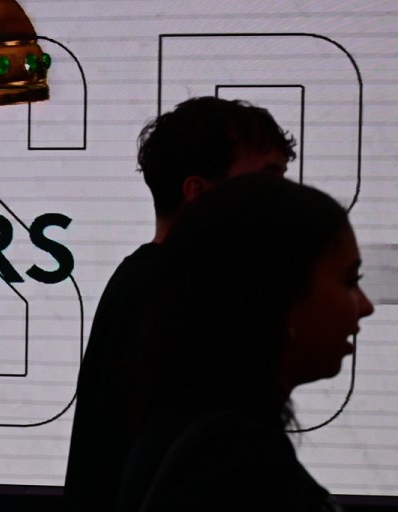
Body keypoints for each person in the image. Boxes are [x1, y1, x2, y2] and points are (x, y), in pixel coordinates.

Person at [62, 97, 296, 512]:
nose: (287, 197)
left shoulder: (151, 283)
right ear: (198, 193)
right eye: (268, 177)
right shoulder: (170, 297)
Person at [113, 174, 373, 511]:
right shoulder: (237, 465)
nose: (365, 305)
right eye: (349, 280)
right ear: (279, 293)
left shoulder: (189, 425)